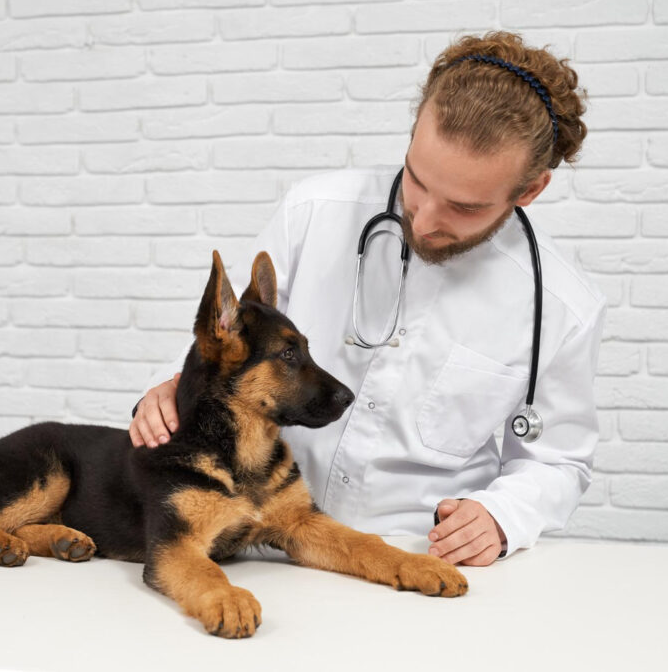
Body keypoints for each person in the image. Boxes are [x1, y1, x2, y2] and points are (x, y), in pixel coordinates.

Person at [129, 31, 605, 567]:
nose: (423, 220)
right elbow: (229, 340)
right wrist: (166, 392)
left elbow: (559, 461)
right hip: (260, 544)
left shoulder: (562, 308)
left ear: (529, 191)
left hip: (417, 557)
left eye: (464, 207)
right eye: (417, 180)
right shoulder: (313, 211)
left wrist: (501, 517)